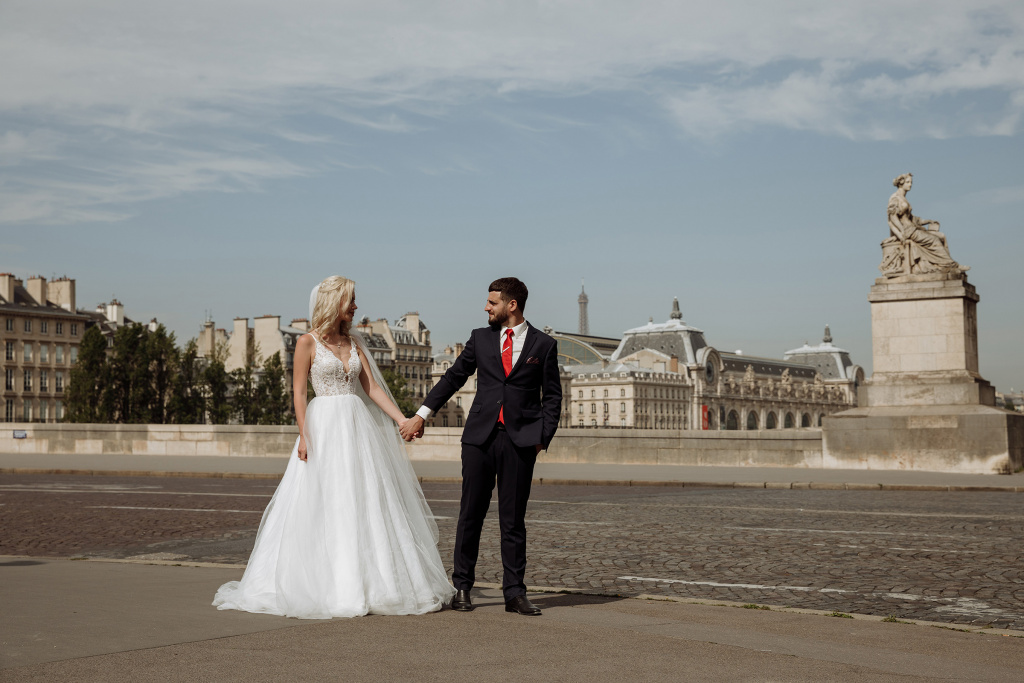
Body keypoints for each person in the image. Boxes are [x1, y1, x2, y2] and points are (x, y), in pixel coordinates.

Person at [213, 276, 454, 618]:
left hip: (356, 427)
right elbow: (298, 392)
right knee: (321, 499)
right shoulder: (307, 342)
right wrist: (304, 434)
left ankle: (374, 583)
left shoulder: (353, 342)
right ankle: (321, 584)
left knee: (365, 499)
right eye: (350, 300)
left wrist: (402, 419)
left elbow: (371, 388)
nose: (355, 306)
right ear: (334, 302)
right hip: (323, 426)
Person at [400, 277, 562, 616]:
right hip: (478, 439)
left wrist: (540, 439)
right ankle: (462, 587)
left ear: (511, 305)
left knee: (513, 520)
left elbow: (552, 396)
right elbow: (453, 377)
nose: (486, 307)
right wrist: (421, 415)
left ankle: (515, 593)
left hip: (520, 441)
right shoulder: (480, 338)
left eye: (492, 302)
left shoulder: (544, 344)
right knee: (470, 513)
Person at [884, 173, 964, 275]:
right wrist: (901, 233)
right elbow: (892, 219)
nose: (910, 184)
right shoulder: (895, 198)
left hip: (913, 228)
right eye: (908, 182)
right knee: (934, 240)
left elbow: (912, 219)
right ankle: (950, 265)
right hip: (908, 231)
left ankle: (946, 265)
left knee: (941, 236)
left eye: (911, 182)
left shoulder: (903, 198)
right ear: (901, 183)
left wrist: (927, 221)